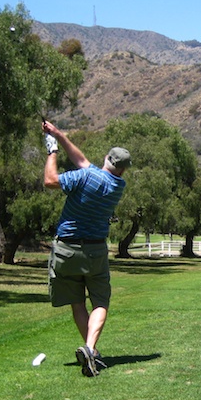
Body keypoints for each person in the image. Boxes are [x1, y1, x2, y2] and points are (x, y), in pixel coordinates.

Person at [42, 120, 131, 377]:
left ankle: (91, 351)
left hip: (66, 250)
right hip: (95, 251)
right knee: (101, 300)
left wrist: (52, 150)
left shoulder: (85, 177)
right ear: (123, 169)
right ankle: (90, 349)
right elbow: (83, 162)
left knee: (77, 302)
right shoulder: (117, 186)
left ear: (106, 158)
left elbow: (50, 181)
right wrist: (59, 135)